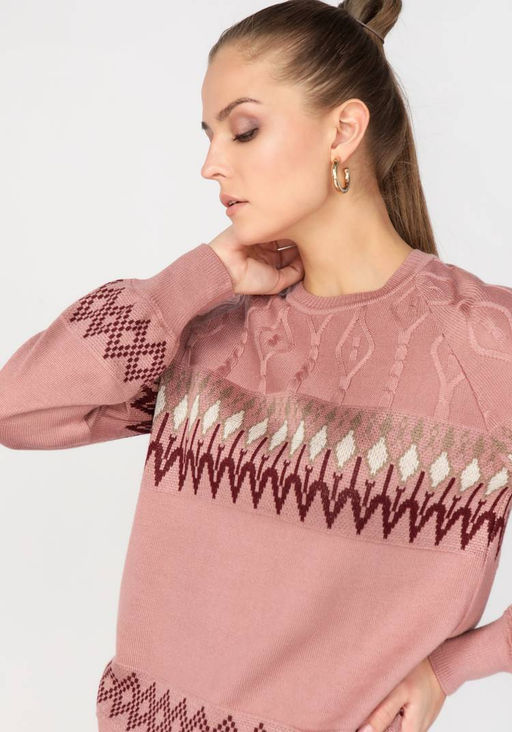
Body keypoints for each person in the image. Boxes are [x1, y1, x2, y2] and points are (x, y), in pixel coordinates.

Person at [1, 1, 511, 730]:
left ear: (343, 131)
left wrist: (459, 664)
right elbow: (18, 409)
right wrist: (196, 276)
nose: (211, 164)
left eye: (243, 130)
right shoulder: (208, 333)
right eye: (209, 136)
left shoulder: (482, 345)